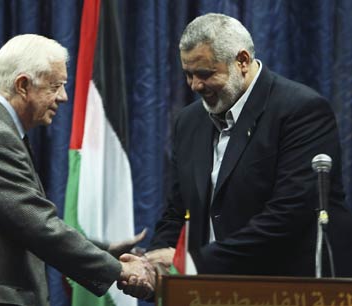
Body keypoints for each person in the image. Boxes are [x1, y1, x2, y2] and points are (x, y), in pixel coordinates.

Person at [0, 34, 154, 306]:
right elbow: (38, 227)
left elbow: (22, 223)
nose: (64, 97)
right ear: (23, 85)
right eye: (56, 86)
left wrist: (102, 251)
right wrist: (119, 270)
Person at [145, 13, 352, 278]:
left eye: (205, 74)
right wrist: (152, 264)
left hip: (285, 287)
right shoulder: (189, 121)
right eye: (188, 74)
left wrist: (193, 263)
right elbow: (178, 212)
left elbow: (288, 216)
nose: (195, 85)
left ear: (242, 61)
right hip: (207, 291)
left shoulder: (301, 110)